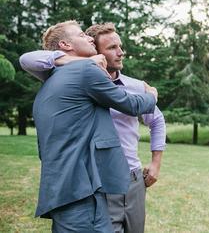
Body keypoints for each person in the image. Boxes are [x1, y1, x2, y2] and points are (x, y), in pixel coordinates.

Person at [21, 23, 166, 233]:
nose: (120, 52)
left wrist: (155, 163)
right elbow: (26, 59)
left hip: (125, 180)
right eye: (111, 48)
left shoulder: (57, 78)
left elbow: (156, 120)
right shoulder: (79, 71)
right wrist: (151, 95)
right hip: (94, 181)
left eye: (120, 46)